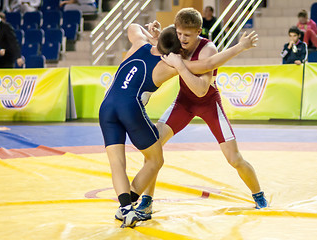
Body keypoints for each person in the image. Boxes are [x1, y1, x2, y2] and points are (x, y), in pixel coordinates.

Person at [99, 22, 258, 228]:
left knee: (117, 164)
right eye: (180, 36)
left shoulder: (139, 43)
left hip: (106, 107)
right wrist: (240, 47)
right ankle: (137, 202)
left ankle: (126, 209)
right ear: (177, 51)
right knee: (155, 159)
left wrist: (151, 36)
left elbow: (132, 26)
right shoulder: (169, 65)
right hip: (131, 108)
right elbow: (207, 65)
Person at [135, 8, 267, 216]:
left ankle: (258, 194)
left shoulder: (208, 49)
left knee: (234, 159)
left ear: (199, 31)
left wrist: (179, 66)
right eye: (178, 34)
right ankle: (147, 200)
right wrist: (158, 37)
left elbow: (200, 89)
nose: (182, 39)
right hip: (184, 102)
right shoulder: (178, 39)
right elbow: (163, 49)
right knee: (154, 145)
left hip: (208, 103)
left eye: (187, 35)